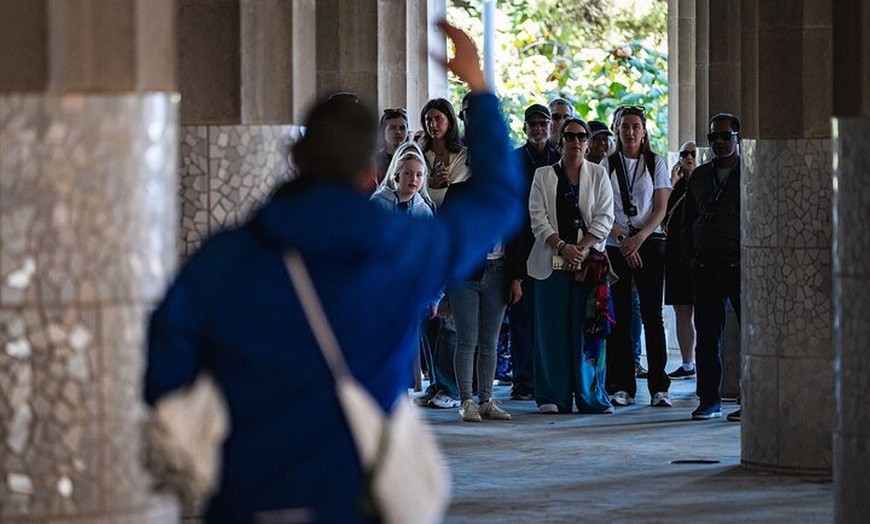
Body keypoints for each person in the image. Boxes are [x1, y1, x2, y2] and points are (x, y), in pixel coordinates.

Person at [144, 21, 523, 524]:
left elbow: (161, 374)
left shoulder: (225, 259)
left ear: (294, 157)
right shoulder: (403, 251)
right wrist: (480, 91)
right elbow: (498, 201)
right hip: (357, 500)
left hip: (248, 498)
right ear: (372, 168)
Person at [527, 117, 615, 414]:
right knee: (551, 331)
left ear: (588, 143)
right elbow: (537, 219)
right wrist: (562, 246)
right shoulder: (543, 175)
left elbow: (605, 217)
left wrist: (581, 248)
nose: (575, 142)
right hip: (550, 263)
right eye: (569, 136)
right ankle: (552, 396)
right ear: (560, 141)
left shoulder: (599, 175)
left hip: (588, 265)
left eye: (581, 137)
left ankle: (590, 395)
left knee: (589, 330)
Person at [601, 106, 672, 408]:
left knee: (652, 315)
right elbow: (602, 208)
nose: (630, 132)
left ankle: (659, 386)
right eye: (624, 126)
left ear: (644, 131)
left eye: (635, 126)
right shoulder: (607, 164)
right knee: (621, 317)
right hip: (617, 244)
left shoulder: (655, 163)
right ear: (617, 129)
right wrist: (621, 239)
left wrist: (638, 239)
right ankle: (623, 386)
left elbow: (660, 207)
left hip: (649, 242)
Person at [682, 113, 742, 421]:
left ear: (737, 138)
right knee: (706, 336)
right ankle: (708, 400)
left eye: (725, 136)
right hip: (705, 267)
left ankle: (749, 400)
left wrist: (746, 258)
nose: (719, 142)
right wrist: (691, 257)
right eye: (713, 138)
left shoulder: (748, 172)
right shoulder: (701, 176)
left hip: (738, 267)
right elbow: (687, 220)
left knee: (749, 335)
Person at [507, 103, 560, 401]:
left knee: (549, 319)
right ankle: (523, 379)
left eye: (544, 123)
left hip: (553, 245)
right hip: (522, 244)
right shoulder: (514, 161)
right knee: (522, 319)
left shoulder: (560, 157)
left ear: (551, 126)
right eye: (534, 124)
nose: (539, 129)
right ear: (525, 127)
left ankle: (548, 377)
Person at [665, 140, 698, 380]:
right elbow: (661, 215)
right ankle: (687, 363)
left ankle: (701, 361)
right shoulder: (673, 187)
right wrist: (672, 183)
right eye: (684, 153)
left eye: (693, 154)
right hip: (676, 255)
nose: (688, 157)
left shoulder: (706, 183)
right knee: (681, 310)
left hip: (700, 256)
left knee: (705, 312)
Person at [418, 97, 469, 207]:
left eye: (438, 119)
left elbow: (456, 190)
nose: (433, 125)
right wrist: (433, 183)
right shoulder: (419, 154)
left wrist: (430, 184)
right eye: (429, 120)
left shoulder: (462, 155)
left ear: (449, 122)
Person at [370, 142, 433, 216]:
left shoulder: (424, 210)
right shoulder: (378, 202)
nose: (413, 179)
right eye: (408, 173)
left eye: (419, 175)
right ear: (396, 175)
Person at [373, 108, 410, 189]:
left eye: (402, 128)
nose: (398, 132)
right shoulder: (375, 159)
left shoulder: (413, 157)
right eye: (392, 128)